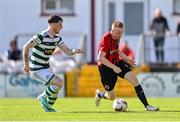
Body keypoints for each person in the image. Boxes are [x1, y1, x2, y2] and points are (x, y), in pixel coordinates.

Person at [23, 14, 84, 112]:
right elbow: (25, 47)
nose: (62, 27)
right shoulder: (41, 36)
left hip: (46, 68)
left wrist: (74, 51)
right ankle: (42, 98)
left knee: (56, 87)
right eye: (60, 24)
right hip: (36, 69)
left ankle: (48, 108)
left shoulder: (57, 38)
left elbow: (67, 51)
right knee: (59, 83)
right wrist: (26, 64)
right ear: (53, 24)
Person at [95, 21, 159, 111]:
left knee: (135, 80)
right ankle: (100, 94)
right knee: (111, 97)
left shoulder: (116, 37)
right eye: (118, 33)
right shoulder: (105, 39)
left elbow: (118, 51)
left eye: (121, 33)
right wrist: (113, 67)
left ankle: (147, 106)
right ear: (112, 31)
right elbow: (100, 58)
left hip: (117, 62)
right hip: (106, 68)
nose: (120, 35)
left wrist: (127, 59)